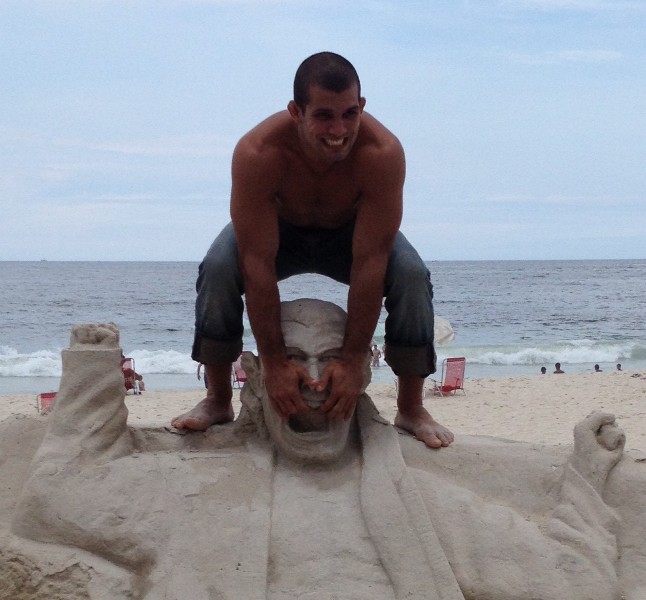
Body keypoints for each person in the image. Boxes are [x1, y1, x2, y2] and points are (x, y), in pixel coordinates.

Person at [172, 51, 452, 449]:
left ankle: (410, 407)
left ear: (362, 107)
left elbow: (370, 261)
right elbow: (257, 262)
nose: (339, 129)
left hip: (348, 233)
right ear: (295, 111)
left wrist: (354, 361)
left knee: (410, 274)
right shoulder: (258, 153)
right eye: (323, 115)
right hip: (278, 231)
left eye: (349, 114)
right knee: (218, 266)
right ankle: (218, 400)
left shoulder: (381, 154)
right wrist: (273, 364)